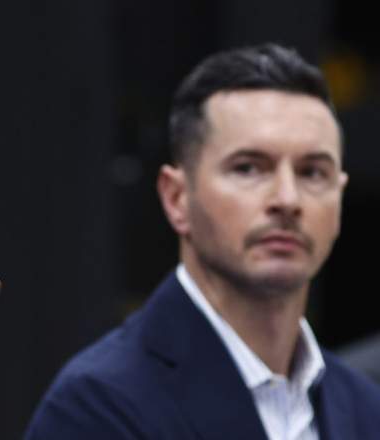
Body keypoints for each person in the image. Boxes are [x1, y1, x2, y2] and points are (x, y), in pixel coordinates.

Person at [26, 43, 380, 439]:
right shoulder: (99, 404)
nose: (287, 199)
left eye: (313, 172)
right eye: (248, 168)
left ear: (340, 196)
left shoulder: (364, 406)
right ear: (177, 198)